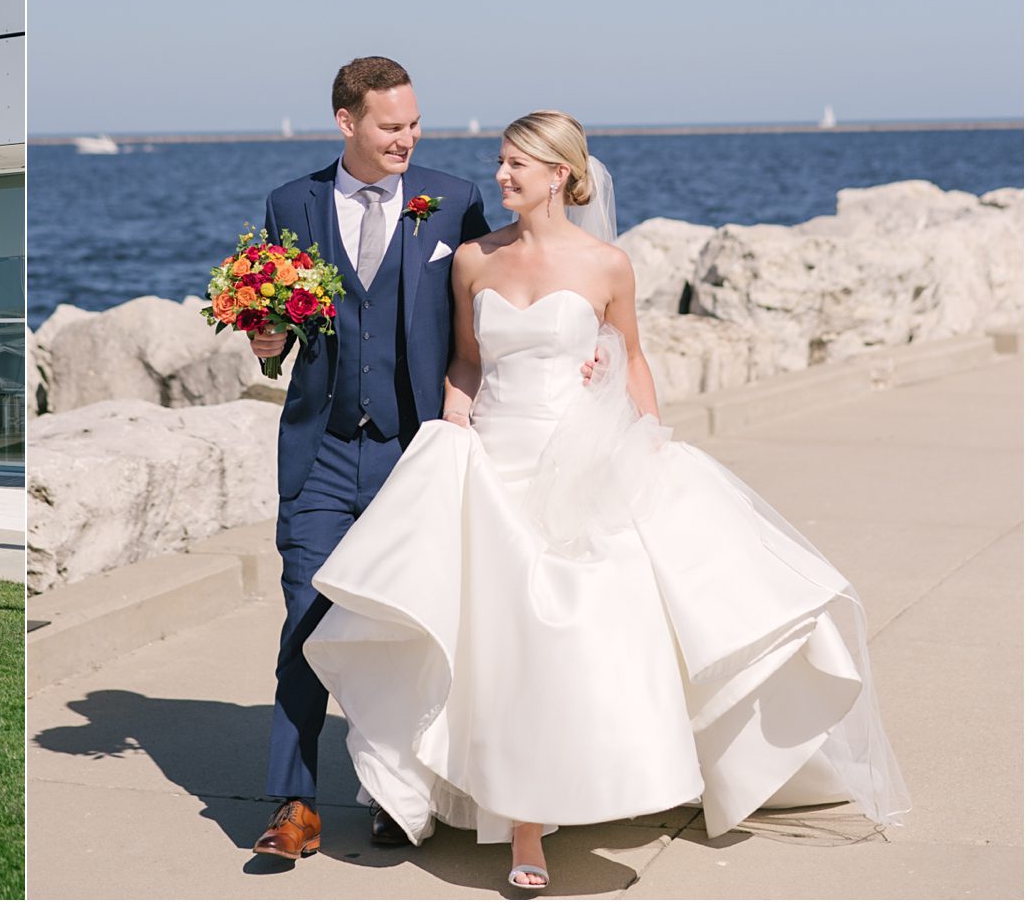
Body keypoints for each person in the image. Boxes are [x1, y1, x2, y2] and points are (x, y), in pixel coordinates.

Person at [303, 111, 910, 891]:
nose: (502, 176)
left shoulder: (607, 266)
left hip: (578, 461)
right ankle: (517, 821)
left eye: (518, 163)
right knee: (502, 640)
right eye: (500, 161)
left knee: (568, 635)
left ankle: (551, 808)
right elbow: (466, 361)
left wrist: (649, 440)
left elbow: (632, 360)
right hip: (493, 460)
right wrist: (455, 419)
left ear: (561, 174)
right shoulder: (473, 263)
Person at [245, 57, 489, 862]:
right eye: (392, 126)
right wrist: (267, 341)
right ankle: (297, 804)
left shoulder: (453, 200)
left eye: (415, 123)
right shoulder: (291, 204)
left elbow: (494, 304)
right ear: (346, 121)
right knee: (305, 619)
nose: (408, 139)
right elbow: (272, 332)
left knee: (401, 627)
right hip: (319, 451)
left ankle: (395, 790)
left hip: (412, 454)